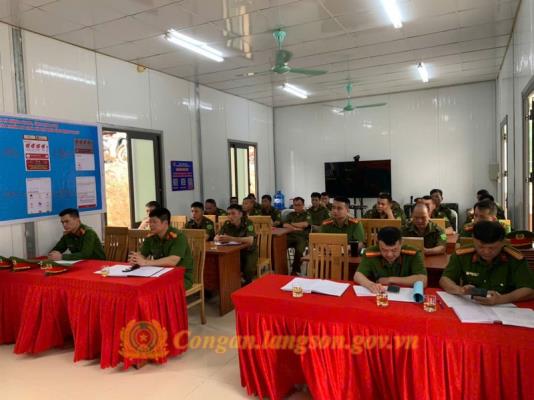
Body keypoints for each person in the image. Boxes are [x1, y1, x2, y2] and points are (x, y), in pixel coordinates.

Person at [439, 221, 534, 304]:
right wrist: (460, 290)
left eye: (492, 248)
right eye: (481, 247)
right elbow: (445, 279)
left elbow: (529, 289)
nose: (486, 252)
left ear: (503, 242)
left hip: (506, 308)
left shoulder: (515, 259)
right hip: (472, 306)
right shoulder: (463, 255)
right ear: (473, 239)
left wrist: (502, 299)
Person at [129, 207, 194, 289]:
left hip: (180, 277)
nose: (151, 225)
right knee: (138, 284)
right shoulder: (151, 237)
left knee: (154, 288)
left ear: (165, 223)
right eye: (150, 222)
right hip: (159, 274)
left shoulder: (178, 237)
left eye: (154, 222)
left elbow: (173, 261)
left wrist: (145, 262)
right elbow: (142, 254)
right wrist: (136, 259)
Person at [354, 227, 427, 293]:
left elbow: (423, 280)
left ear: (401, 243)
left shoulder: (413, 253)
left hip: (406, 296)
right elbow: (357, 276)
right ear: (378, 244)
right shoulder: (370, 253)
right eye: (384, 250)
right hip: (380, 294)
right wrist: (370, 285)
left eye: (394, 250)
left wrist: (390, 280)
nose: (389, 255)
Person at [216, 204, 258, 284]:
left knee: (248, 269)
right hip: (233, 251)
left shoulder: (248, 223)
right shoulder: (227, 223)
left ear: (240, 214)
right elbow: (217, 236)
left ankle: (246, 284)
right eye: (228, 214)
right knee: (222, 264)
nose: (230, 216)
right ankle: (230, 284)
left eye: (233, 213)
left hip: (249, 251)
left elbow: (250, 241)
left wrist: (231, 238)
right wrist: (219, 238)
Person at [284, 197, 312, 275]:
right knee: (279, 245)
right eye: (295, 205)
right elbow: (285, 225)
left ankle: (295, 270)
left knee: (299, 249)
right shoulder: (290, 214)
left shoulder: (307, 214)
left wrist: (291, 224)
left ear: (303, 205)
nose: (296, 207)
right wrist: (296, 228)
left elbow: (305, 224)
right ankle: (281, 269)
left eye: (299, 205)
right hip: (290, 236)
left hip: (302, 237)